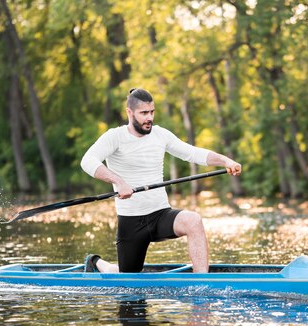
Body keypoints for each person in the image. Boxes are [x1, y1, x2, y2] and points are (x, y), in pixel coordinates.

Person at [81, 88, 241, 273]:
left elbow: (192, 153)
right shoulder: (115, 137)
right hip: (131, 222)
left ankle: (202, 284)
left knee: (193, 221)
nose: (149, 118)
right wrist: (119, 181)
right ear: (129, 112)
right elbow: (87, 161)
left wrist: (225, 160)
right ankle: (96, 262)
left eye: (152, 112)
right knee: (126, 277)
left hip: (160, 215)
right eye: (143, 113)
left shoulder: (160, 135)